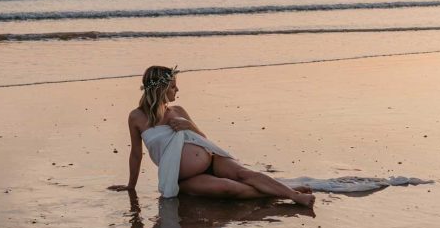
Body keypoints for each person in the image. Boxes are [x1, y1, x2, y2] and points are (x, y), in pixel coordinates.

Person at [109, 66, 315, 208]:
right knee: (229, 189)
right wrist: (131, 186)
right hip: (184, 177)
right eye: (172, 86)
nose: (177, 89)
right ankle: (284, 190)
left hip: (213, 160)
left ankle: (293, 195)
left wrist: (189, 126)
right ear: (160, 88)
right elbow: (136, 154)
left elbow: (202, 138)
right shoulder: (136, 117)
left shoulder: (178, 109)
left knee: (245, 174)